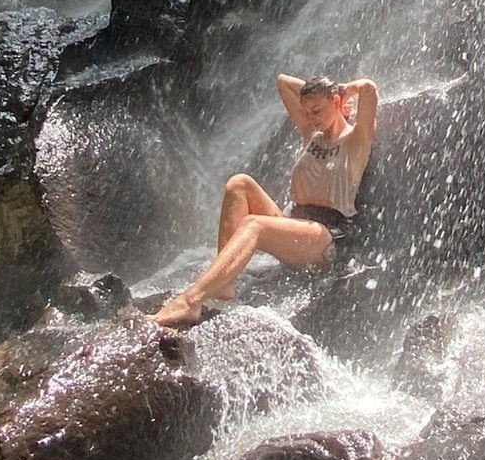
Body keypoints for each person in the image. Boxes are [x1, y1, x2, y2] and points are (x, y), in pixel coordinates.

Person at [153, 72, 378, 330]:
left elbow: (369, 89)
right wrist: (321, 97)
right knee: (239, 183)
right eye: (306, 113)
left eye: (317, 111)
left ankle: (190, 301)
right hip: (294, 227)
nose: (310, 119)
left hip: (325, 239)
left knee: (254, 226)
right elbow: (284, 83)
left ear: (336, 103)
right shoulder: (312, 134)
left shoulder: (355, 141)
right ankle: (224, 284)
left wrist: (343, 90)